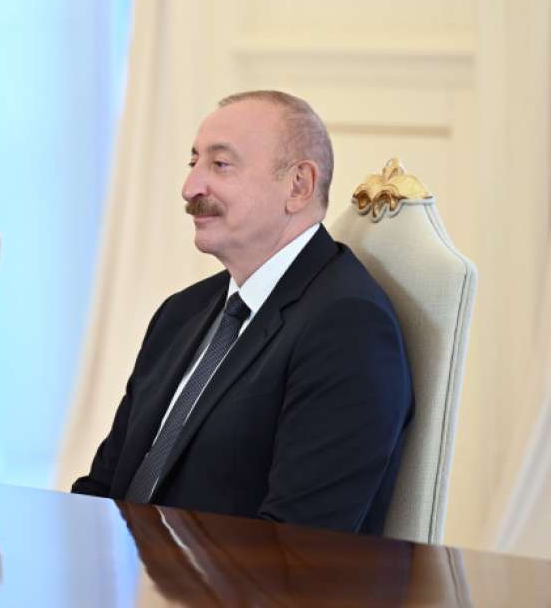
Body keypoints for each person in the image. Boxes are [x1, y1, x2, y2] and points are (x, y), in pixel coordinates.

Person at [71, 90, 412, 534]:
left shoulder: (348, 328)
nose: (190, 187)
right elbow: (104, 485)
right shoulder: (181, 312)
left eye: (220, 164)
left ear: (298, 186)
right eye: (193, 161)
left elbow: (296, 544)